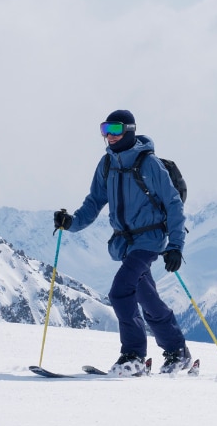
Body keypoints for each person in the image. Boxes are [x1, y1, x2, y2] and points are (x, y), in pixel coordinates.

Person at [54, 110, 192, 376]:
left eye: (115, 129)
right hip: (125, 245)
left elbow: (174, 205)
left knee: (119, 292)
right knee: (148, 300)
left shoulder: (150, 165)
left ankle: (134, 356)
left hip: (149, 241)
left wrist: (176, 246)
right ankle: (178, 352)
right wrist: (71, 222)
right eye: (105, 129)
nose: (109, 136)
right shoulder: (107, 165)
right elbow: (94, 202)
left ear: (129, 130)